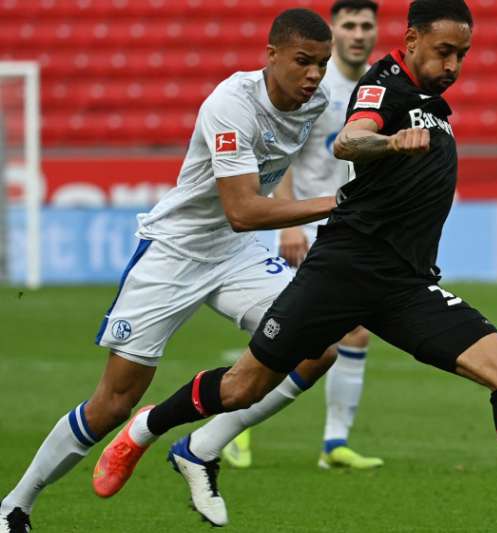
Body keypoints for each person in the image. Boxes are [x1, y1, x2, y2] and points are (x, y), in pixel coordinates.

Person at [93, 2, 497, 532]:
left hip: (404, 284)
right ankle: (146, 428)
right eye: (444, 51)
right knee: (242, 388)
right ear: (412, 40)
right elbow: (351, 139)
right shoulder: (385, 83)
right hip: (344, 271)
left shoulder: (431, 102)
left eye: (462, 54)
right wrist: (389, 142)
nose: (452, 64)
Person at [0, 9, 340, 533]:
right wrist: (337, 203)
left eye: (321, 63)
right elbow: (242, 209)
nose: (314, 75)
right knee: (112, 404)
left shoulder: (313, 102)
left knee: (318, 345)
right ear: (271, 55)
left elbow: (276, 167)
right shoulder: (231, 104)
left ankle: (199, 448)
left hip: (236, 252)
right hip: (175, 252)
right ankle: (14, 506)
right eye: (303, 61)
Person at [221, 0, 385, 472]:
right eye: (349, 25)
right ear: (334, 31)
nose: (359, 33)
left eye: (366, 25)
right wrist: (289, 224)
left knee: (355, 329)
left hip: (349, 225)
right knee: (290, 329)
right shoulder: (313, 86)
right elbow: (283, 154)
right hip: (305, 220)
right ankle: (234, 423)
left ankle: (334, 443)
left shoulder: (379, 86)